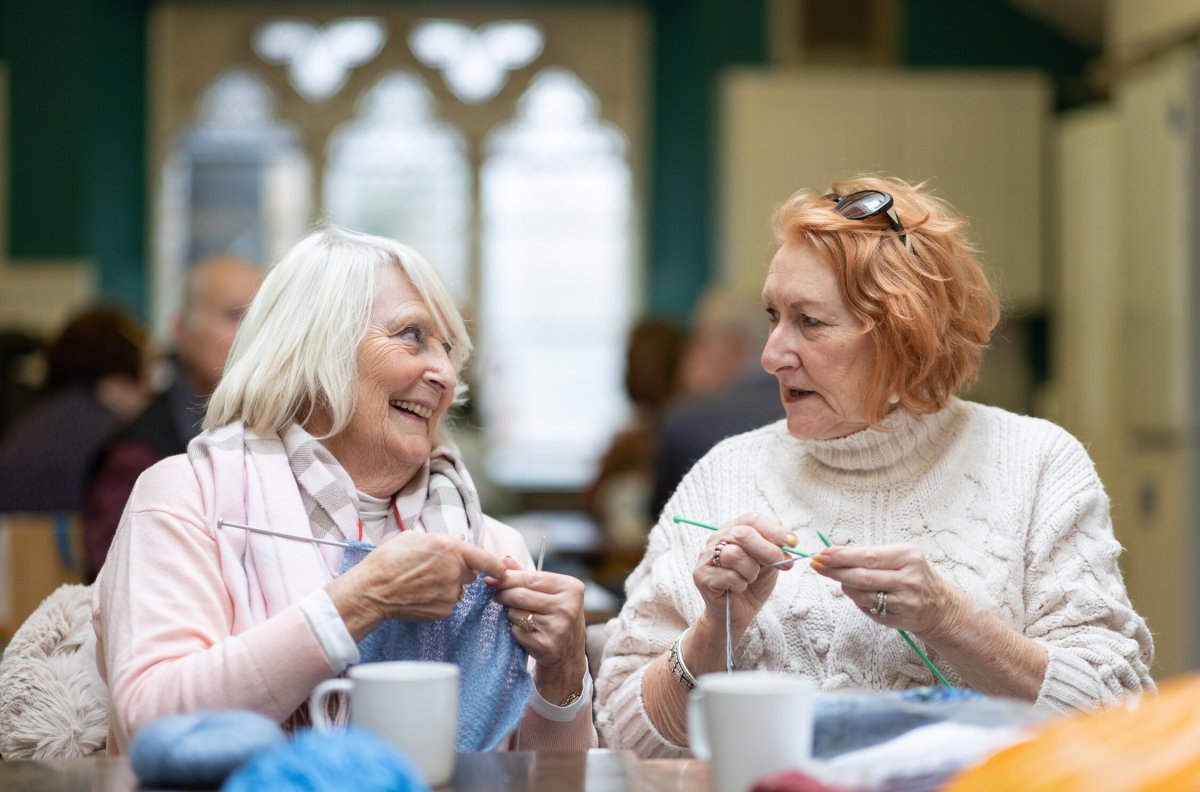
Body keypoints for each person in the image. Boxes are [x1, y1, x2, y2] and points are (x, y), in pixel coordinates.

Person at [594, 175, 1154, 756]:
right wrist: (715, 630)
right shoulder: (723, 476)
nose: (771, 356)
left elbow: (1116, 719)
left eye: (809, 322)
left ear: (902, 334)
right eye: (772, 316)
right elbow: (624, 735)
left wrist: (949, 619)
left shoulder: (1038, 465)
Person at [93, 226, 596, 754]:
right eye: (411, 336)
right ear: (313, 346)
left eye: (448, 350)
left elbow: (543, 777)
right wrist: (361, 599)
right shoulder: (186, 497)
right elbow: (148, 725)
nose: (445, 374)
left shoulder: (492, 548)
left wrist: (564, 676)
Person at [82, 255, 263, 580]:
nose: (255, 333)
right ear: (182, 331)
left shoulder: (286, 433)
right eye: (235, 315)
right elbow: (124, 581)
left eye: (266, 317)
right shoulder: (138, 454)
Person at [649, 286, 785, 518]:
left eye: (699, 340)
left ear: (733, 344)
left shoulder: (690, 420)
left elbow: (660, 517)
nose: (689, 354)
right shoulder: (814, 410)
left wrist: (694, 401)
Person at [0, 306, 150, 512]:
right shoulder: (109, 436)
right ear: (118, 378)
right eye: (144, 376)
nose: (148, 394)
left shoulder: (35, 419)